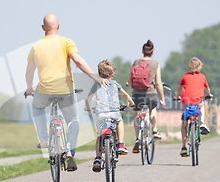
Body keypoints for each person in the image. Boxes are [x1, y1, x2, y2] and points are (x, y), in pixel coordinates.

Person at [25, 14, 109, 171]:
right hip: (65, 90)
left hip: (44, 90)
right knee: (72, 120)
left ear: (43, 28)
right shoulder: (66, 42)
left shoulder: (35, 47)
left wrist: (30, 87)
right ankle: (69, 151)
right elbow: (78, 61)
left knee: (37, 107)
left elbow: (29, 72)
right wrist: (95, 77)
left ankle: (43, 139)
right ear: (58, 26)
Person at [85, 60, 135, 172]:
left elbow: (88, 99)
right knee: (119, 122)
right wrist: (131, 103)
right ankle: (121, 144)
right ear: (112, 74)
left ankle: (98, 158)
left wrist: (87, 107)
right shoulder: (115, 84)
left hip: (100, 114)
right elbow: (125, 95)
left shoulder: (96, 85)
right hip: (114, 112)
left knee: (99, 136)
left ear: (99, 75)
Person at [127, 40, 166, 153]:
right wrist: (162, 99)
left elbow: (129, 81)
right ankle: (154, 130)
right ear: (152, 52)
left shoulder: (136, 62)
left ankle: (137, 138)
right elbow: (158, 83)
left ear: (142, 51)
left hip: (137, 96)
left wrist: (128, 84)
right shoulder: (156, 64)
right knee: (152, 109)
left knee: (136, 114)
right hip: (151, 94)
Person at [174, 57, 212, 157]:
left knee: (184, 121)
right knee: (201, 106)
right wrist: (209, 95)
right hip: (197, 101)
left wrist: (176, 96)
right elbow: (207, 89)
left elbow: (179, 89)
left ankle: (184, 147)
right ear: (200, 67)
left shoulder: (185, 76)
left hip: (185, 101)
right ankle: (201, 123)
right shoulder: (202, 77)